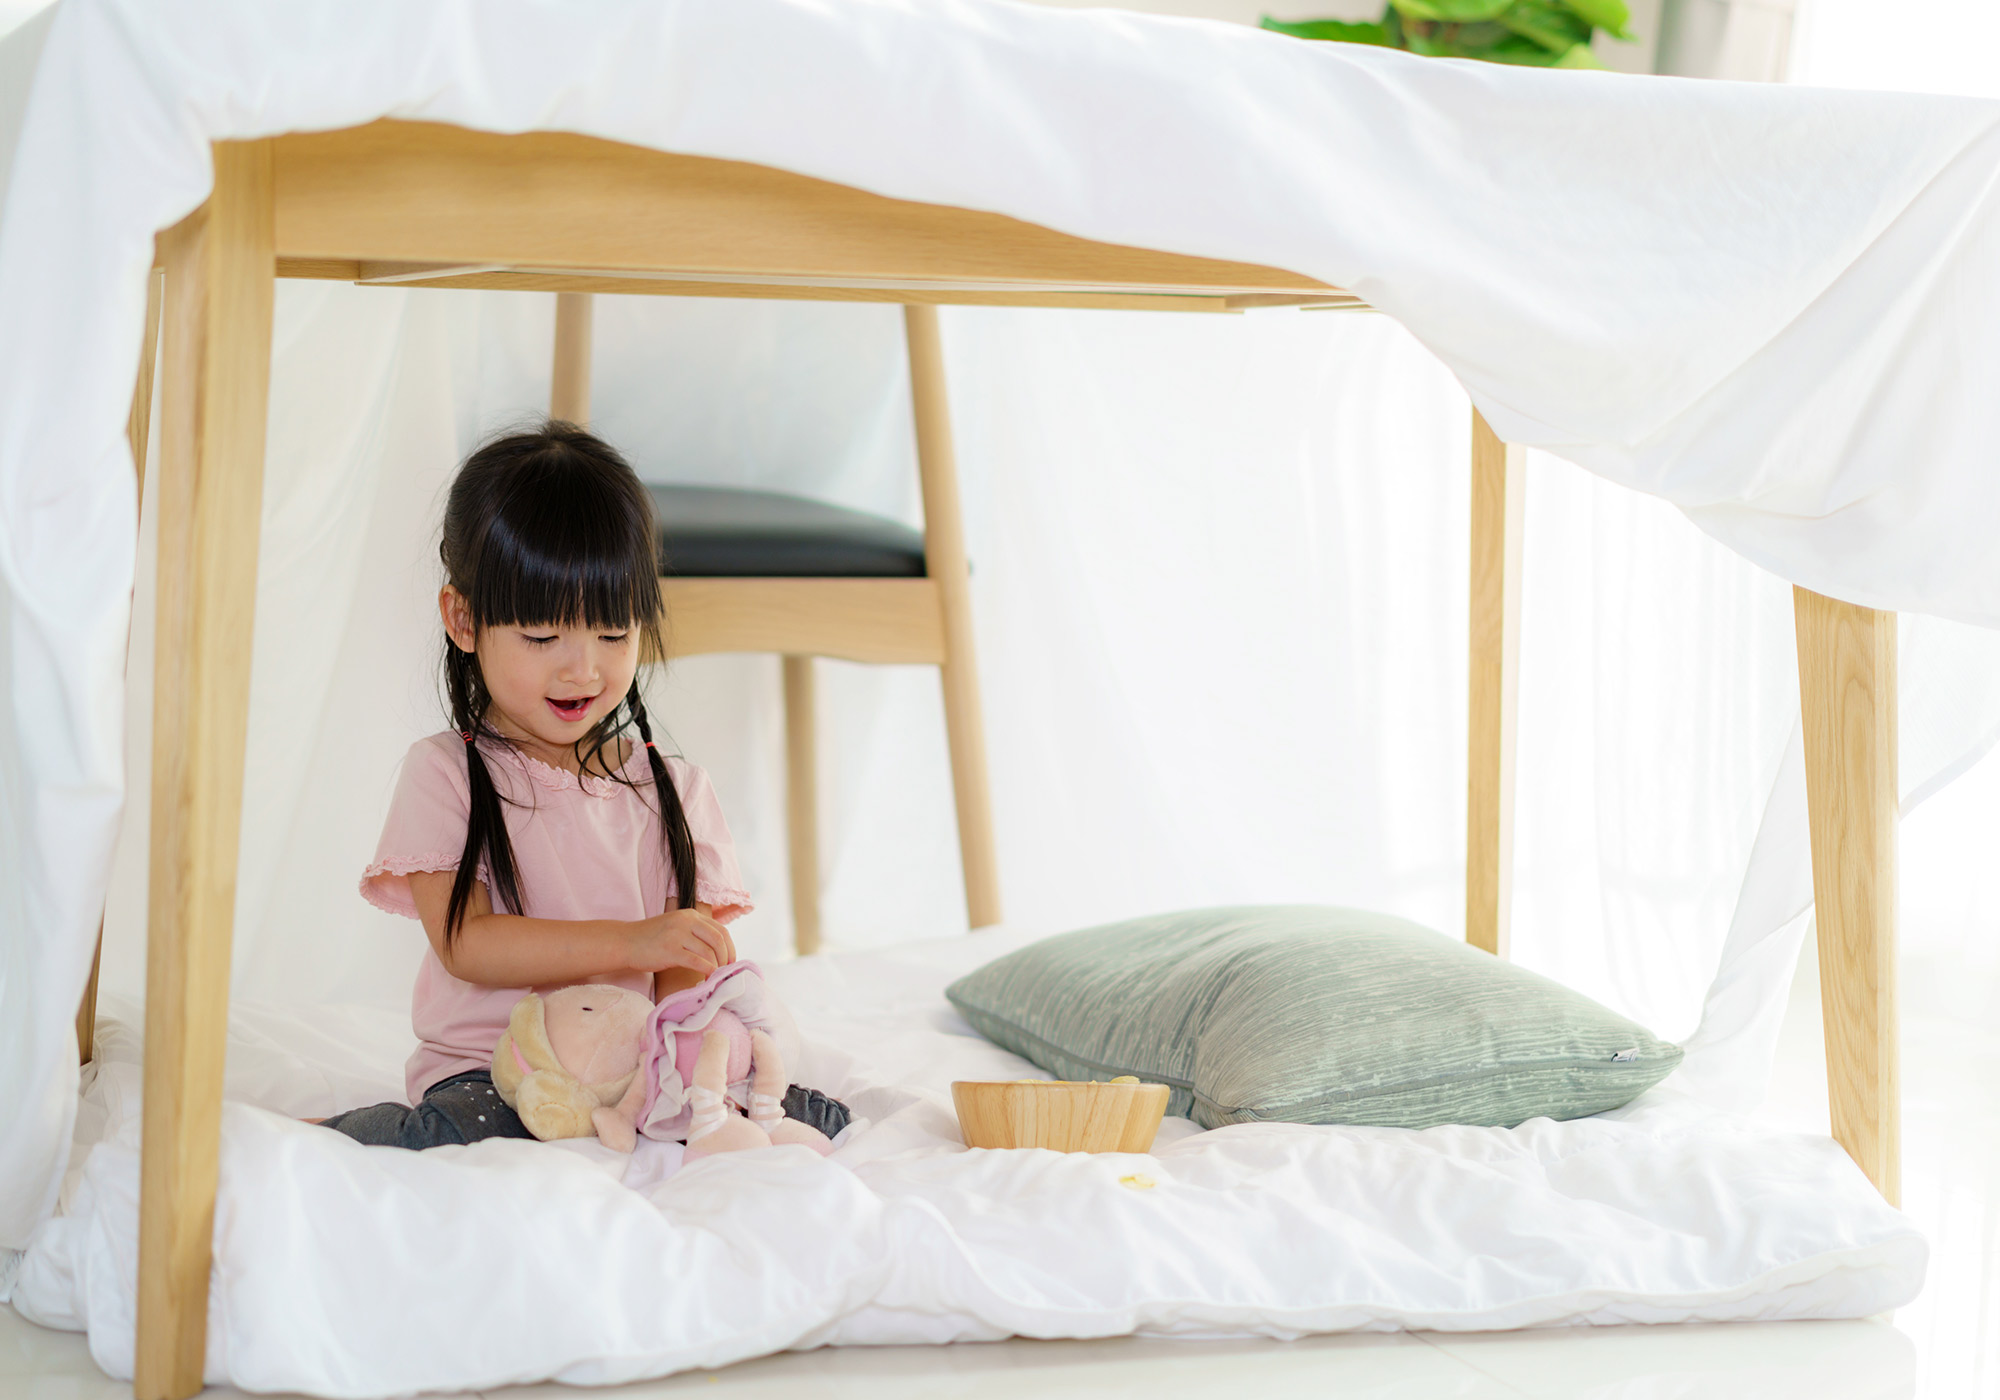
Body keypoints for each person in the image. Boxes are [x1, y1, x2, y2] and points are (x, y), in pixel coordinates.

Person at [318, 422, 848, 1150]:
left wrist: (699, 1036)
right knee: (472, 1131)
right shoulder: (446, 773)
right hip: (498, 1069)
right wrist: (637, 943)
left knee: (801, 1112)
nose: (582, 670)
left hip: (632, 1069)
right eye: (543, 639)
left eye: (612, 634)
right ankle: (325, 1136)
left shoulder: (673, 789)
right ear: (463, 620)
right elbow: (467, 946)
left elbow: (678, 978)